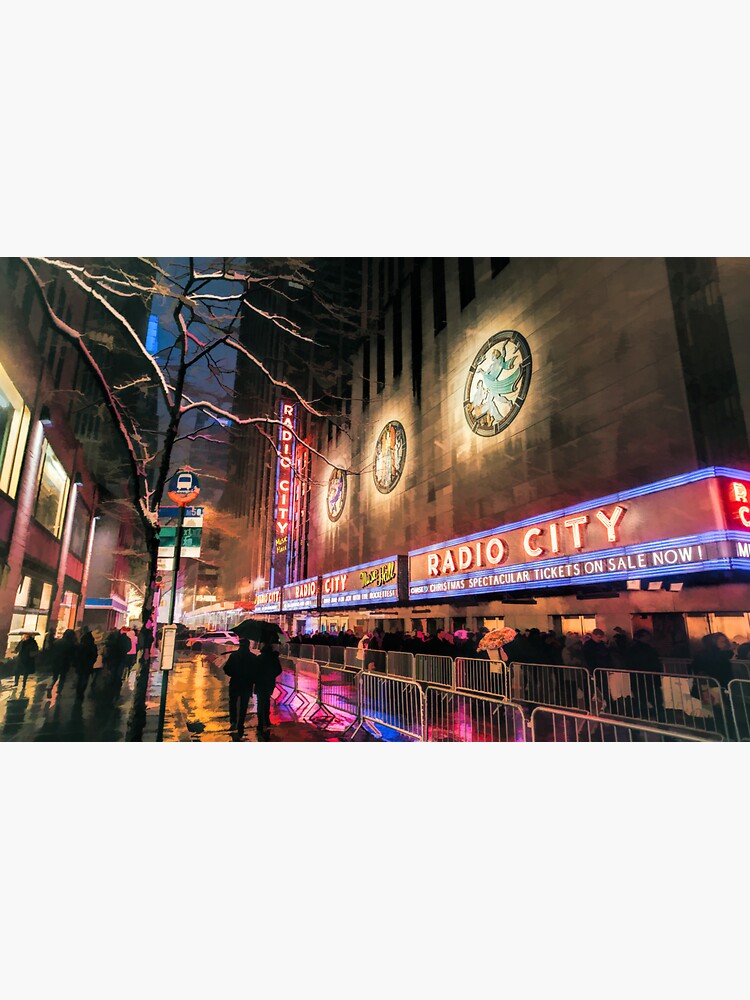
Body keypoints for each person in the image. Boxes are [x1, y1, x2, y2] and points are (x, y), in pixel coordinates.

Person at [222, 637, 257, 736]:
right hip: (247, 684)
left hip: (235, 682)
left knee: (233, 702)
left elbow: (226, 669)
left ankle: (233, 721)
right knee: (244, 704)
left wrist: (234, 674)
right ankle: (240, 722)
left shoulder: (234, 656)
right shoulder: (253, 657)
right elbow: (256, 672)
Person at [50, 628, 78, 695]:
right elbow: (72, 654)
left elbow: (52, 652)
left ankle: (50, 686)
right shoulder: (70, 644)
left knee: (55, 677)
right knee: (62, 677)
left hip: (55, 661)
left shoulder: (57, 642)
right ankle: (59, 691)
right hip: (65, 662)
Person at [75, 627, 99, 699]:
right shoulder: (93, 646)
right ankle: (81, 691)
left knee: (79, 678)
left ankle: (78, 691)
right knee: (85, 679)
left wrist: (76, 663)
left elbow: (77, 655)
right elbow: (95, 655)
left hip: (80, 664)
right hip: (88, 665)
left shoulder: (81, 645)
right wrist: (92, 662)